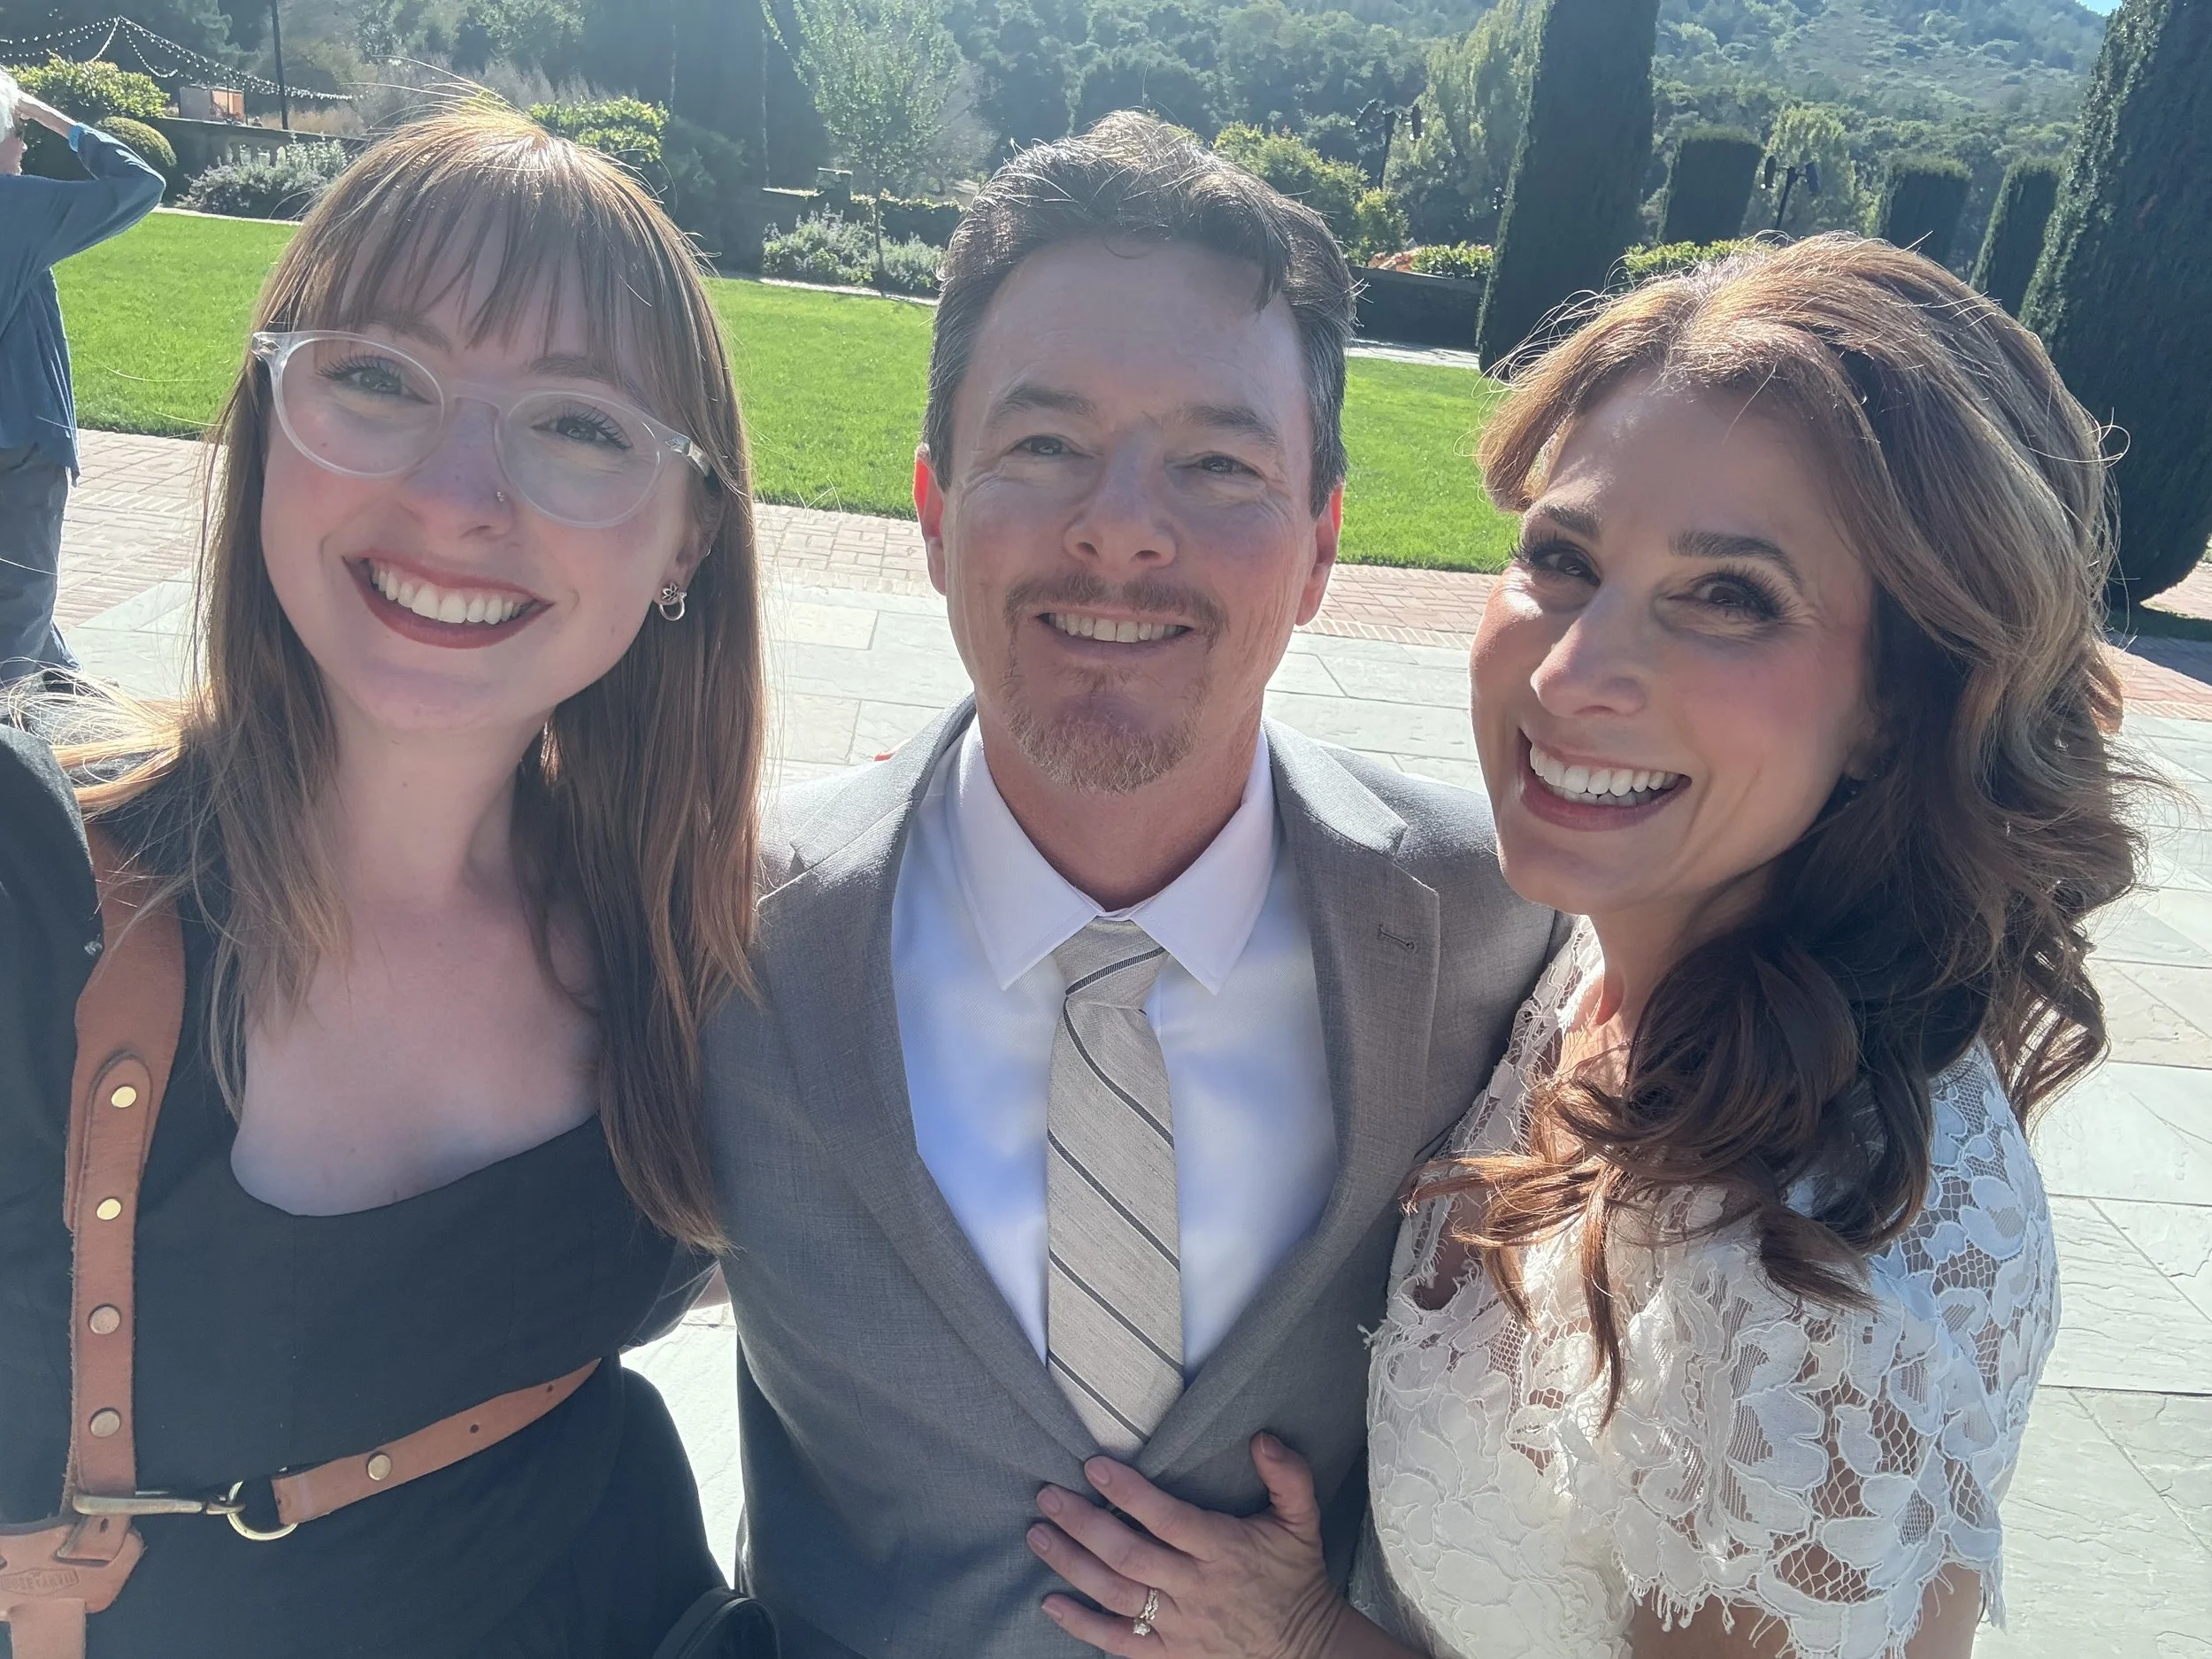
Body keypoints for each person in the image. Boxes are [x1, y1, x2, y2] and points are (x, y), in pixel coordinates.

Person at [1024, 235, 2140, 1658]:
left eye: (1727, 593)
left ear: (1899, 701)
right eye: (1563, 556)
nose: (1567, 674)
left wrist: (1301, 1636)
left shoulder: (1816, 1284)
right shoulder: (1617, 952)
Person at [697, 112, 1564, 1658]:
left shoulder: (1490, 930)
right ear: (933, 509)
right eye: (1043, 445)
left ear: (1319, 546)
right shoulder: (724, 931)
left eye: (1219, 461)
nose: (1121, 528)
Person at [0, 108, 773, 1657]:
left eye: (579, 425)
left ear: (688, 538)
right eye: (375, 378)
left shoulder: (698, 934)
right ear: (269, 422)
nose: (458, 497)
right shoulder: (35, 889)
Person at [0, 70, 165, 684]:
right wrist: (55, 118)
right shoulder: (15, 207)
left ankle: (69, 685)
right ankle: (16, 752)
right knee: (20, 595)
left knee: (18, 584)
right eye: (19, 132)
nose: (23, 146)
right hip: (21, 436)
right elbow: (140, 185)